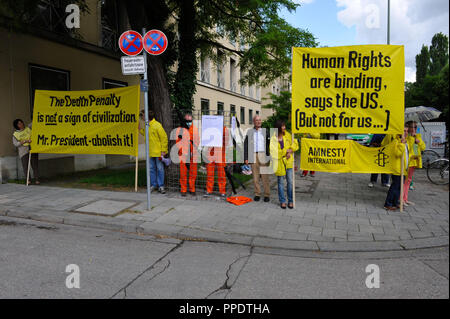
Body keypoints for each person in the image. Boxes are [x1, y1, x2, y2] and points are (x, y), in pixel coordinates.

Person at [270, 120, 299, 209]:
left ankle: (290, 201)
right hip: (279, 163)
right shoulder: (273, 138)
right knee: (280, 183)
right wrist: (285, 152)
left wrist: (291, 150)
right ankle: (282, 201)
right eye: (282, 126)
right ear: (278, 128)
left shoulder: (288, 135)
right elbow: (273, 152)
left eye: (284, 126)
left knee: (290, 182)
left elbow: (296, 144)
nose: (284, 128)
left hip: (289, 162)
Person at [139, 110, 168, 194]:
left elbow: (164, 138)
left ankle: (161, 186)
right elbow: (146, 134)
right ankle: (153, 185)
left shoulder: (157, 125)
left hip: (158, 152)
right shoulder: (147, 125)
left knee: (160, 169)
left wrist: (164, 150)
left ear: (148, 116)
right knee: (151, 169)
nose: (142, 118)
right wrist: (140, 129)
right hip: (150, 152)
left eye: (143, 116)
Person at [384, 124, 412, 211]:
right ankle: (388, 203)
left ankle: (395, 203)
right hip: (397, 168)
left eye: (407, 131)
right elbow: (397, 154)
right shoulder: (396, 141)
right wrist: (401, 144)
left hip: (404, 169)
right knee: (395, 187)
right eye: (404, 131)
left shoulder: (406, 141)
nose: (406, 133)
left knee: (399, 187)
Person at [244, 115, 271, 202]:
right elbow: (246, 145)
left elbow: (270, 144)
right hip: (253, 155)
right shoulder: (250, 132)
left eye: (260, 120)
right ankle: (257, 193)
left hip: (263, 155)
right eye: (256, 120)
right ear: (254, 122)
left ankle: (267, 194)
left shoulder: (266, 131)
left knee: (265, 177)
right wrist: (246, 158)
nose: (258, 122)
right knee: (255, 177)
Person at [403, 121, 426, 206]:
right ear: (409, 128)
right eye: (413, 127)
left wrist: (418, 141)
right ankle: (402, 199)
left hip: (415, 161)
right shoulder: (407, 137)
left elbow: (423, 147)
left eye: (416, 127)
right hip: (409, 162)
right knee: (405, 181)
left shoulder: (418, 136)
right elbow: (408, 148)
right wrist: (412, 138)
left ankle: (405, 199)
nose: (414, 129)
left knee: (408, 181)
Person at [175, 113, 199, 196]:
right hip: (183, 155)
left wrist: (193, 152)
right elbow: (177, 142)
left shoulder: (195, 129)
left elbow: (197, 142)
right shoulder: (179, 130)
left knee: (193, 173)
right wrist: (183, 151)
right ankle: (183, 190)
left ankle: (192, 189)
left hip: (193, 155)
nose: (189, 122)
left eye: (190, 121)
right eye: (187, 121)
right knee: (183, 174)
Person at [204, 125, 229, 198]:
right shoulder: (209, 128)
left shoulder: (224, 129)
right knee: (209, 173)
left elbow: (226, 142)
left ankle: (222, 191)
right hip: (210, 153)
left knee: (221, 174)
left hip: (220, 154)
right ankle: (209, 190)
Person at [12, 119, 39, 185]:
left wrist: (37, 115)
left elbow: (34, 123)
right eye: (19, 123)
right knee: (26, 166)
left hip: (33, 149)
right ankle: (28, 180)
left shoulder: (28, 128)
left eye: (21, 122)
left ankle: (37, 179)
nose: (21, 124)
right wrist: (24, 141)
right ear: (16, 125)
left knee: (35, 165)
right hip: (23, 151)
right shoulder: (15, 134)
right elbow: (15, 144)